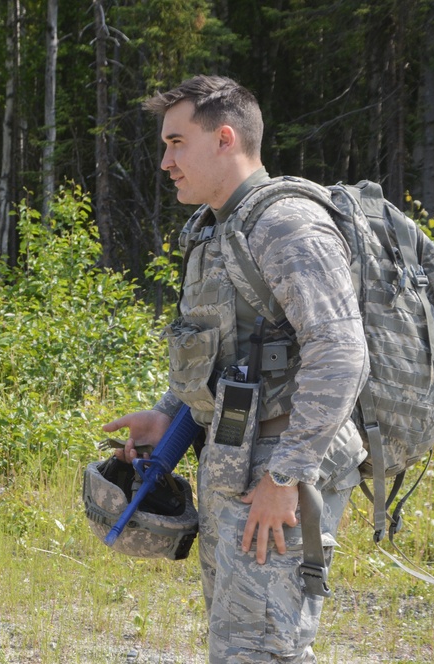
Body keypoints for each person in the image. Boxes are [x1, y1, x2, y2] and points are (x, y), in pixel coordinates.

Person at [102, 75, 368, 662]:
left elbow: (342, 352)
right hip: (233, 467)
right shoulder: (216, 228)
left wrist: (285, 479)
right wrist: (169, 414)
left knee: (262, 648)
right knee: (236, 642)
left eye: (176, 143)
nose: (165, 161)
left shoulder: (288, 224)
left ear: (225, 138)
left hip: (280, 473)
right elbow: (224, 355)